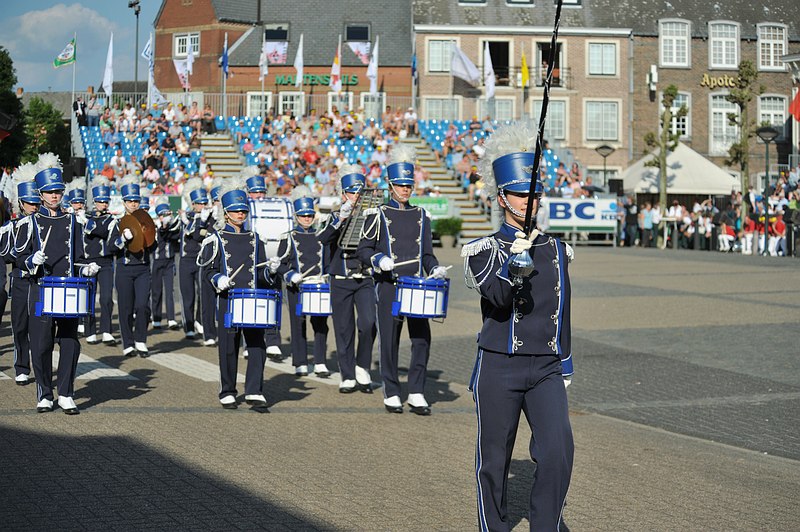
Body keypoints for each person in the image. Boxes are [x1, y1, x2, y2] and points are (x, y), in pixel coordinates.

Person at [461, 123, 574, 530]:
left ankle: (546, 524)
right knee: (494, 459)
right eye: (519, 194)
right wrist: (514, 265)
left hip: (544, 365)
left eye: (533, 194)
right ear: (502, 198)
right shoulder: (484, 249)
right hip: (500, 363)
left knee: (559, 452)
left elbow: (561, 309)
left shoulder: (557, 249)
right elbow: (497, 297)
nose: (528, 201)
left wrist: (565, 363)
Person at [357, 144, 447, 415]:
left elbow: (427, 254)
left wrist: (435, 268)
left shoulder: (421, 215)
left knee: (421, 339)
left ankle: (417, 391)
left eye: (408, 185)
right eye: (400, 184)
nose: (405, 189)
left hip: (417, 286)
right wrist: (379, 260)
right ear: (390, 185)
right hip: (390, 286)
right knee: (390, 340)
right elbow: (363, 250)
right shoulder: (378, 215)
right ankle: (392, 390)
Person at [15, 153, 101, 414]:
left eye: (58, 191)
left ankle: (65, 392)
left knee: (70, 341)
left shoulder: (71, 221)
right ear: (40, 194)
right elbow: (19, 258)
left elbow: (77, 257)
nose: (54, 196)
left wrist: (86, 267)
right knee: (41, 343)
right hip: (40, 288)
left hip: (68, 289)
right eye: (49, 192)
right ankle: (44, 392)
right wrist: (32, 259)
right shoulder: (30, 222)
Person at [199, 180, 278, 409]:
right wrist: (218, 279)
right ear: (226, 212)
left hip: (252, 298)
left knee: (256, 345)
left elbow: (260, 273)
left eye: (243, 210)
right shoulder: (216, 239)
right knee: (228, 345)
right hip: (229, 298)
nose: (240, 214)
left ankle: (254, 390)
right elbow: (209, 271)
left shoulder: (255, 238)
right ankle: (228, 390)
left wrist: (270, 271)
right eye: (235, 210)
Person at [316, 165, 377, 393]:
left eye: (360, 193)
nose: (356, 197)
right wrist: (340, 219)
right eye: (352, 193)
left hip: (365, 278)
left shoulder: (372, 217)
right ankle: (348, 374)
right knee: (344, 328)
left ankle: (362, 366)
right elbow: (322, 239)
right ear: (343, 194)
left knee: (369, 323)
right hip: (341, 278)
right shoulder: (334, 216)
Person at [277, 191, 331, 377]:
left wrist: (326, 277)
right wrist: (290, 275)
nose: (307, 218)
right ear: (296, 216)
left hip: (318, 285)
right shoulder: (288, 237)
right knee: (298, 323)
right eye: (303, 215)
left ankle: (320, 361)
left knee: (321, 323)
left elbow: (328, 263)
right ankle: (300, 361)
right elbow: (281, 265)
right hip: (298, 286)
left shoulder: (322, 236)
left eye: (310, 215)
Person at [1, 163, 41, 386]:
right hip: (20, 281)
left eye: (36, 203)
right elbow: (6, 254)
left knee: (40, 329)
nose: (34, 207)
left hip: (39, 282)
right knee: (19, 325)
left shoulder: (45, 223)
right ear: (22, 204)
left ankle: (41, 368)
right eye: (30, 204)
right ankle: (21, 367)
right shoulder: (13, 226)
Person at [113, 176, 155, 356]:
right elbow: (110, 248)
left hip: (143, 268)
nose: (133, 204)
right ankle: (128, 343)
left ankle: (141, 340)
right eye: (130, 201)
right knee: (126, 307)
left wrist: (153, 233)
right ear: (123, 203)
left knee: (142, 306)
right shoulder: (117, 223)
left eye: (136, 201)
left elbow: (154, 247)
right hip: (124, 268)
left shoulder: (147, 221)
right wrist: (122, 239)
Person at [83, 178, 118, 345]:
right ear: (94, 202)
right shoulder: (86, 216)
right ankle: (90, 331)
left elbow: (103, 232)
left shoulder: (111, 220)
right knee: (89, 298)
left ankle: (106, 331)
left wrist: (89, 224)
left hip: (105, 262)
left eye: (105, 202)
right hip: (89, 262)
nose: (103, 205)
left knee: (106, 298)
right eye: (100, 202)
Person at [179, 178, 215, 341]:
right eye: (198, 204)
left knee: (202, 293)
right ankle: (188, 326)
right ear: (193, 204)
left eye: (203, 203)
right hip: (186, 260)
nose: (202, 206)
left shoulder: (208, 218)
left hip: (201, 260)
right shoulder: (186, 217)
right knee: (188, 295)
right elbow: (187, 234)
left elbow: (201, 236)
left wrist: (202, 221)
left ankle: (200, 321)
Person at [151, 199, 181, 330]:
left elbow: (175, 237)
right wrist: (161, 227)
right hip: (156, 262)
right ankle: (156, 318)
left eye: (167, 214)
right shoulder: (154, 226)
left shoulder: (173, 226)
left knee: (170, 291)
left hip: (169, 262)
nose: (165, 217)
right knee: (156, 291)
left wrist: (168, 226)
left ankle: (171, 319)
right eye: (162, 215)